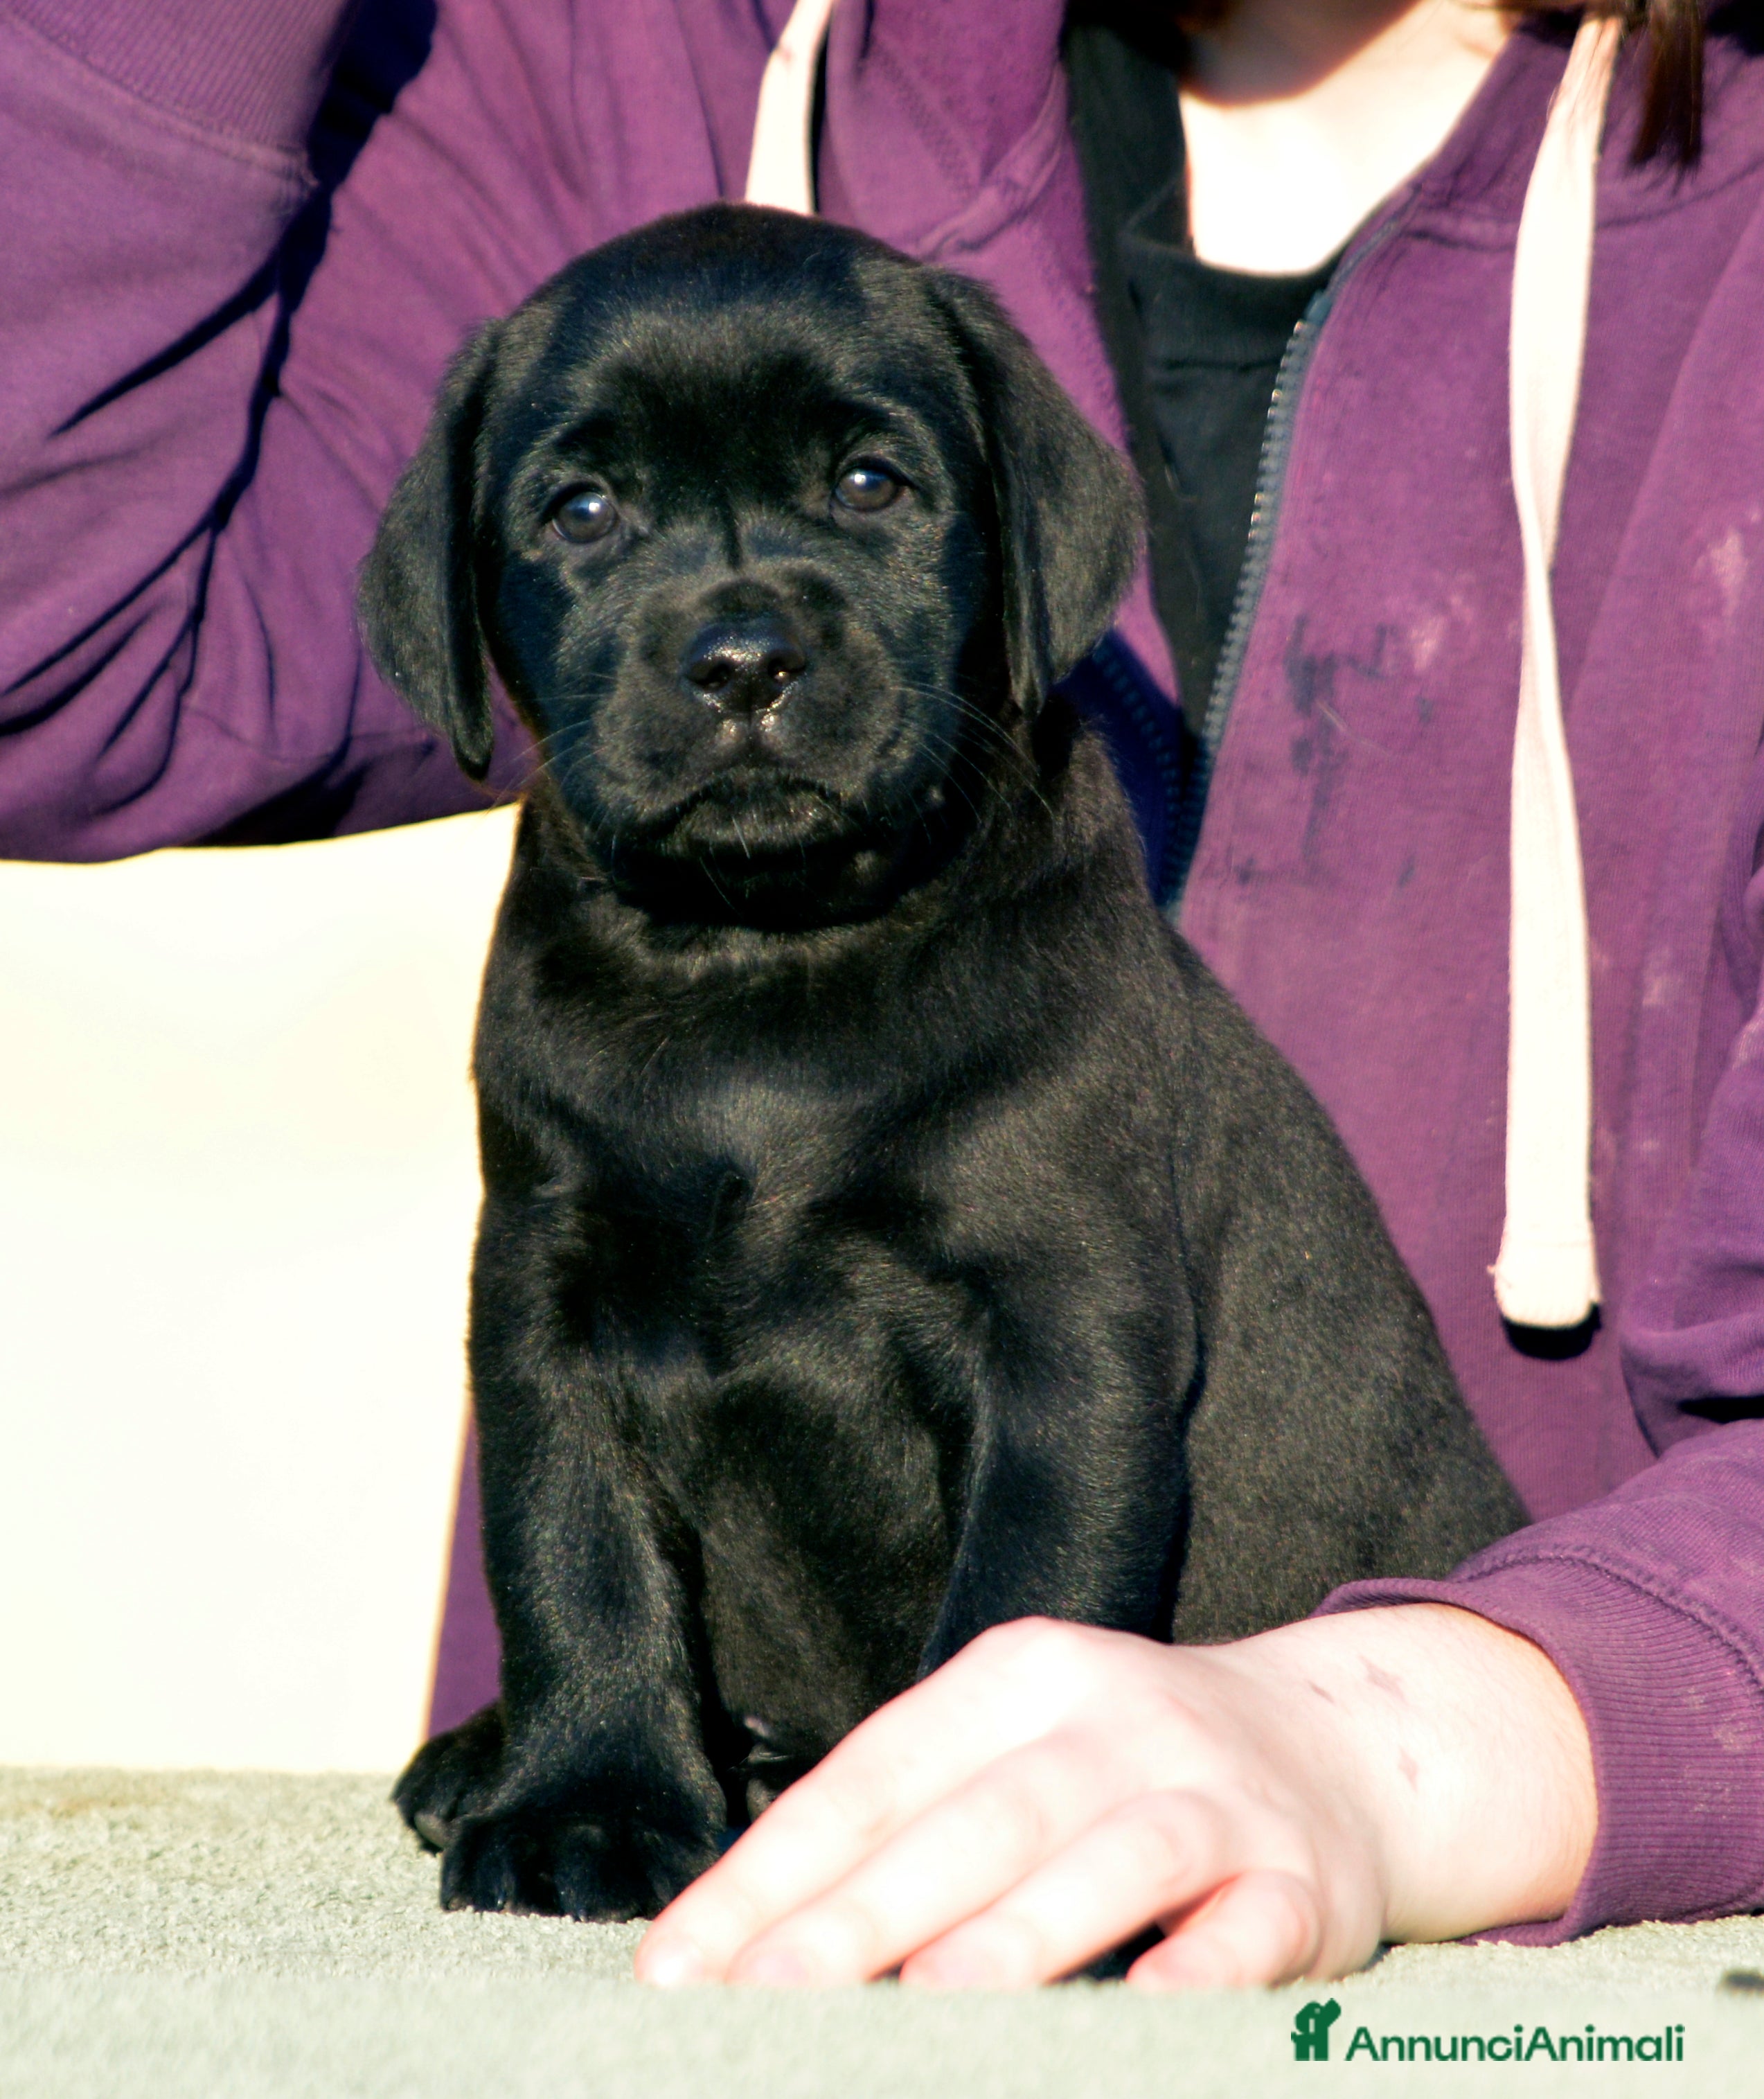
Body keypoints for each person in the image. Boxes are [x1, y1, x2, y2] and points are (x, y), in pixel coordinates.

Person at [5, 0, 1762, 1986]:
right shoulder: (620, 56)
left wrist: (1478, 1733)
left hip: (1443, 1897)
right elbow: (47, 647)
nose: (736, 626)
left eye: (864, 488)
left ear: (1019, 539)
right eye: (584, 517)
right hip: (687, 1905)